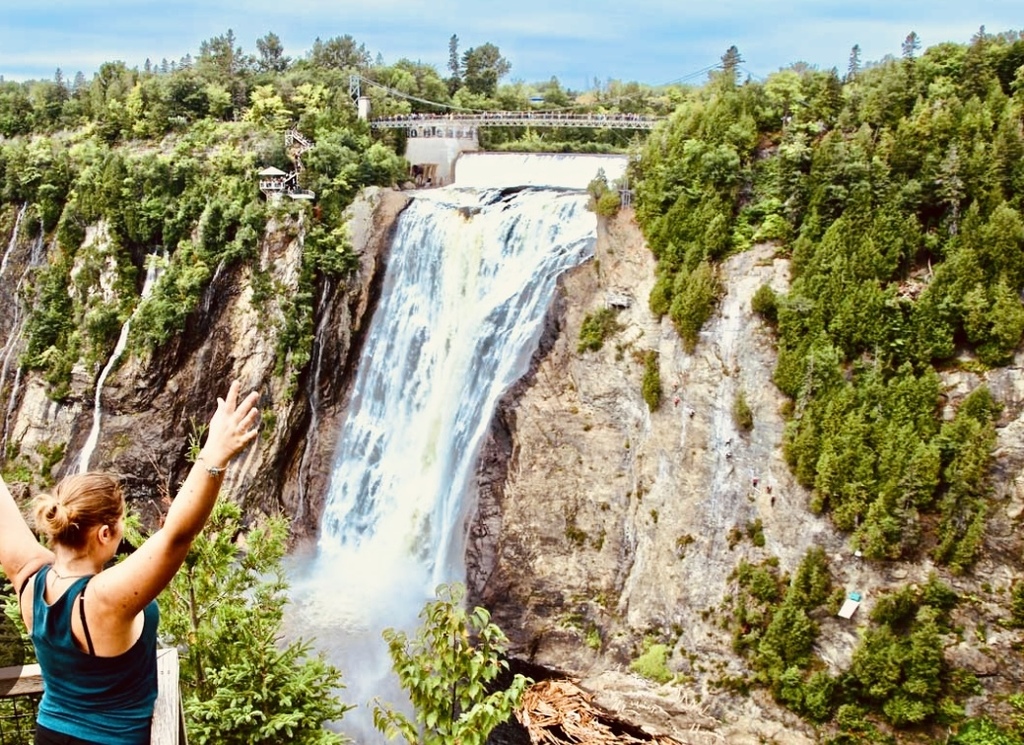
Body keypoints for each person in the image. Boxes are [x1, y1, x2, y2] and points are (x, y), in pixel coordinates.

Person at [0, 380, 260, 745]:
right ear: (104, 534)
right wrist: (214, 457)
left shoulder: (29, 579)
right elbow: (176, 536)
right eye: (121, 523)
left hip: (49, 733)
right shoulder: (105, 598)